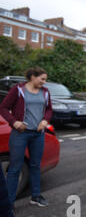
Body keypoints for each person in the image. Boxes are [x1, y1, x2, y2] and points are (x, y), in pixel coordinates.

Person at [0, 67, 52, 207]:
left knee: (35, 165)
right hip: (20, 134)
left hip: (38, 134)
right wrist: (14, 122)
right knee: (15, 168)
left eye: (45, 79)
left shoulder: (45, 92)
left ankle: (35, 196)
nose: (44, 82)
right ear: (33, 77)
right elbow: (3, 108)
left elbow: (48, 109)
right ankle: (8, 204)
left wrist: (45, 120)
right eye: (42, 79)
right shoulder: (18, 90)